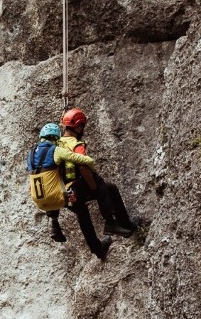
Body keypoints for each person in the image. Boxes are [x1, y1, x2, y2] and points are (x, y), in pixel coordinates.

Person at [48, 108, 138, 259]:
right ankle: (122, 224)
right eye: (82, 126)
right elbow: (83, 167)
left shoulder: (56, 145)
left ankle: (97, 249)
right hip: (77, 187)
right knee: (109, 188)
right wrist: (95, 188)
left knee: (82, 213)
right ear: (78, 127)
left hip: (63, 192)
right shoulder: (76, 144)